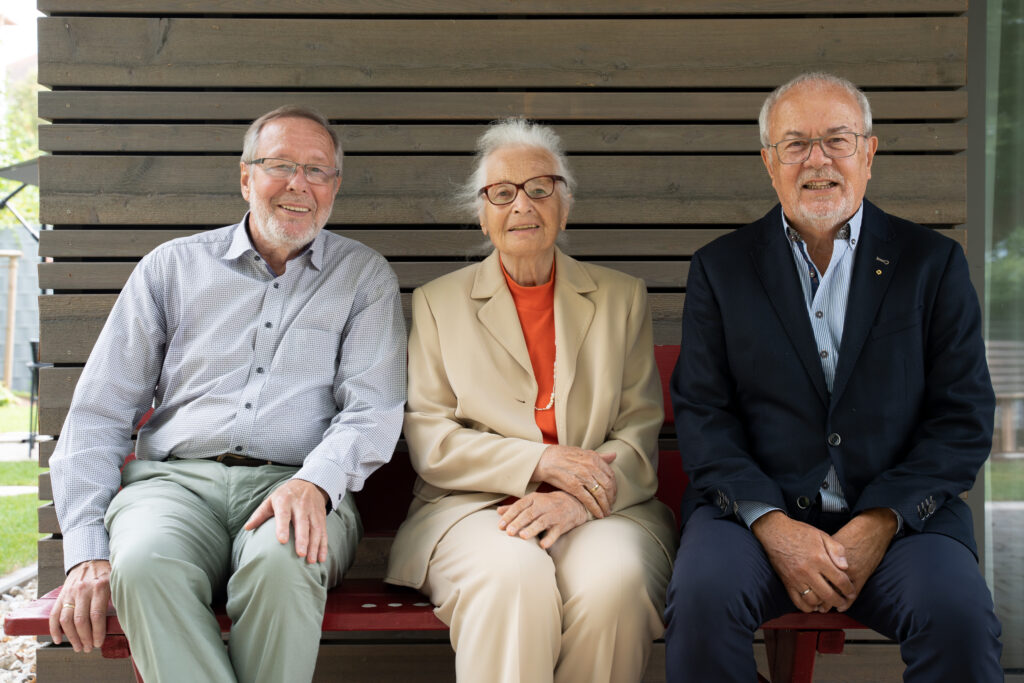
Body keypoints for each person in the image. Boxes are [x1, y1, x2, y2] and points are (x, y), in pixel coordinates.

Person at [47, 105, 406, 683]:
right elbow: (98, 413)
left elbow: (373, 409)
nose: (299, 185)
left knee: (288, 562)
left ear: (334, 187)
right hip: (172, 488)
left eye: (318, 171)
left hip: (296, 484)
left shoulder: (363, 277)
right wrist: (88, 548)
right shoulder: (172, 268)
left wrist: (315, 482)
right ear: (245, 177)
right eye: (281, 165)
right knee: (138, 566)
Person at [663, 72, 1003, 681]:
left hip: (901, 524)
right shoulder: (721, 269)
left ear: (868, 153)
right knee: (702, 602)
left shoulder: (933, 265)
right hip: (754, 522)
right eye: (795, 144)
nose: (817, 160)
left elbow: (963, 419)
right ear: (769, 162)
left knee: (959, 615)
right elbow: (703, 417)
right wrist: (774, 526)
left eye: (837, 140)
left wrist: (879, 522)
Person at [385, 118, 677, 683]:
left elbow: (638, 433)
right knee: (513, 577)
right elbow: (432, 438)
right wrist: (539, 463)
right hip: (471, 507)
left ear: (564, 207)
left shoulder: (621, 298)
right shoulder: (437, 303)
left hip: (602, 509)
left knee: (613, 583)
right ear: (482, 212)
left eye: (540, 188)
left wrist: (581, 498)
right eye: (503, 192)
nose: (523, 205)